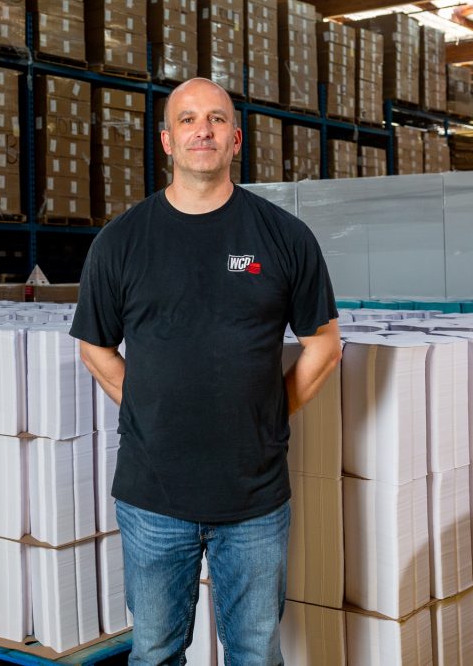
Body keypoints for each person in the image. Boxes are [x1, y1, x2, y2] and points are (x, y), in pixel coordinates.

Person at [70, 77, 341, 666]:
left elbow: (324, 346)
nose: (203, 130)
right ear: (166, 141)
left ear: (236, 138)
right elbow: (95, 348)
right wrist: (148, 407)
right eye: (188, 120)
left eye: (216, 119)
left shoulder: (284, 236)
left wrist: (267, 411)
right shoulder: (120, 242)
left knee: (254, 653)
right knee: (155, 652)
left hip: (254, 498)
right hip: (152, 497)